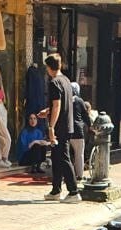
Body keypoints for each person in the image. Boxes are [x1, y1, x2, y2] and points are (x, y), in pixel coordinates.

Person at [42, 54, 79, 201]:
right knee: (56, 157)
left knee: (63, 157)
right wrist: (48, 110)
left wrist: (51, 126)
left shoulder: (54, 82)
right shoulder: (66, 80)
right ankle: (56, 190)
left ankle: (74, 191)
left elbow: (57, 105)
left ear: (49, 68)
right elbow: (62, 104)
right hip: (68, 124)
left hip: (60, 126)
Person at [69, 81, 89, 182]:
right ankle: (79, 176)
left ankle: (68, 174)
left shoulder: (66, 100)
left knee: (67, 154)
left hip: (67, 130)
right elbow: (85, 116)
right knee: (79, 154)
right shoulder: (79, 101)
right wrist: (90, 126)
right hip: (77, 130)